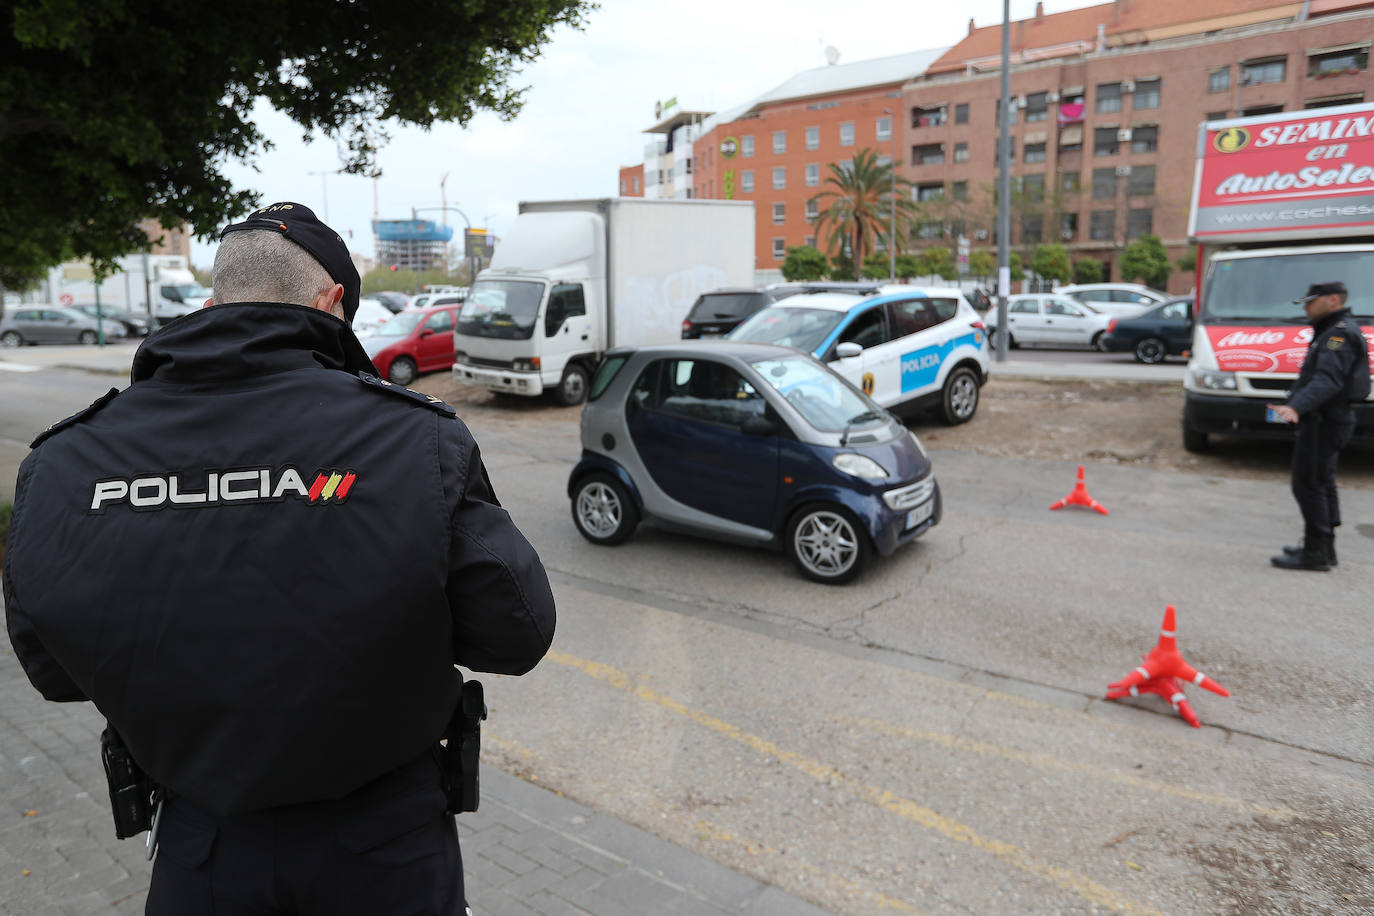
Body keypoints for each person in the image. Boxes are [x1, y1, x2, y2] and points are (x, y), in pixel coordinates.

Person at [3, 202, 556, 914]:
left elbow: (51, 668)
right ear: (332, 305)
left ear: (211, 303)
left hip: (202, 858)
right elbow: (517, 632)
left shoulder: (68, 460)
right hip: (387, 853)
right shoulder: (414, 440)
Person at [1268, 280, 1371, 571]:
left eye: (1312, 301)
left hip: (1325, 421)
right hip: (1328, 419)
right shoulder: (1333, 331)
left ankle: (1316, 552)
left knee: (1309, 484)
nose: (1307, 307)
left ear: (1333, 301)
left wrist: (1294, 407)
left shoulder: (1338, 335)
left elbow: (1327, 380)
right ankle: (1325, 548)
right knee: (1321, 482)